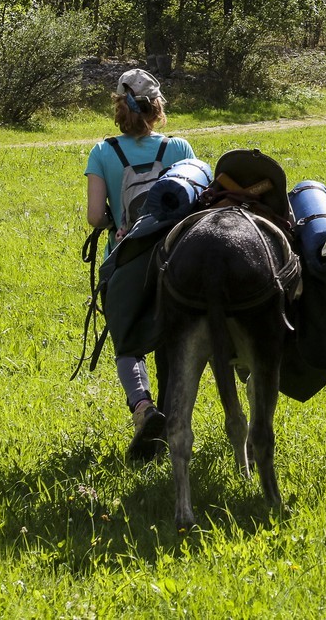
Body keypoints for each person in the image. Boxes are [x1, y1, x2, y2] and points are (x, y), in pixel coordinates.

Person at [84, 69, 197, 459]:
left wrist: (118, 222)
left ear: (119, 107)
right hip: (177, 258)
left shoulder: (102, 153)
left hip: (126, 259)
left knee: (128, 343)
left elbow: (95, 216)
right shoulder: (179, 149)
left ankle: (143, 407)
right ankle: (179, 416)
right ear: (158, 109)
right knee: (177, 340)